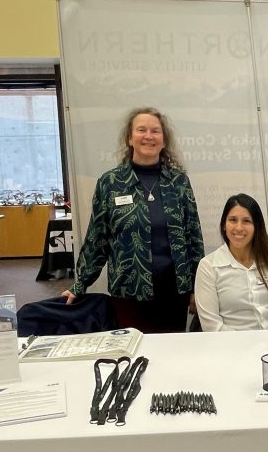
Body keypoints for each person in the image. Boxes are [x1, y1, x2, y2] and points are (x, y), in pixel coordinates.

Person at [63, 107, 203, 333]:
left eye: (156, 131)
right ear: (130, 138)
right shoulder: (110, 183)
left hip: (174, 291)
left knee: (173, 354)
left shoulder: (179, 182)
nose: (149, 136)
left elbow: (193, 237)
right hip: (129, 291)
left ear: (164, 140)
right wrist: (80, 285)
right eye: (141, 130)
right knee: (134, 352)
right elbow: (98, 239)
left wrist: (198, 287)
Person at [194, 193, 268, 332]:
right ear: (224, 225)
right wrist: (247, 347)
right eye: (232, 220)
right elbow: (212, 326)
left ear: (257, 227)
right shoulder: (208, 267)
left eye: (246, 221)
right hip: (233, 348)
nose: (238, 227)